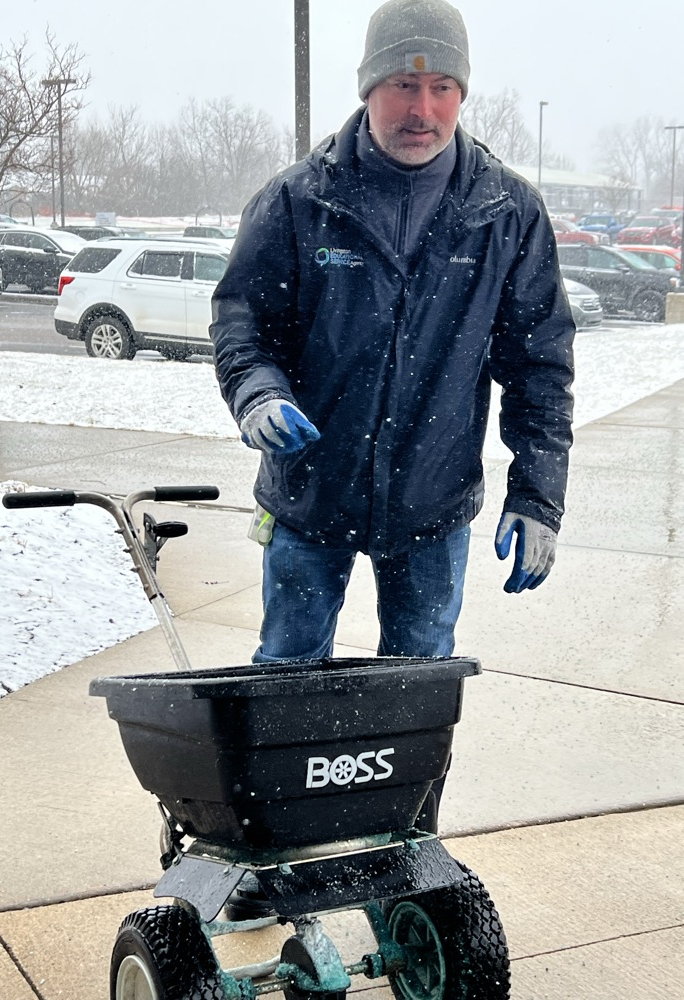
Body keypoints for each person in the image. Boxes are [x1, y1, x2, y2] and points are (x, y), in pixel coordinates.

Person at [211, 0, 574, 668]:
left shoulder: (506, 213)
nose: (422, 110)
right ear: (369, 87)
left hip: (431, 507)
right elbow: (243, 324)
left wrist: (538, 496)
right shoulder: (297, 201)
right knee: (286, 678)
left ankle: (409, 749)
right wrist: (257, 392)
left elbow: (539, 366)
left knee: (418, 692)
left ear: (461, 94)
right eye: (404, 84)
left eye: (442, 88)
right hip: (309, 494)